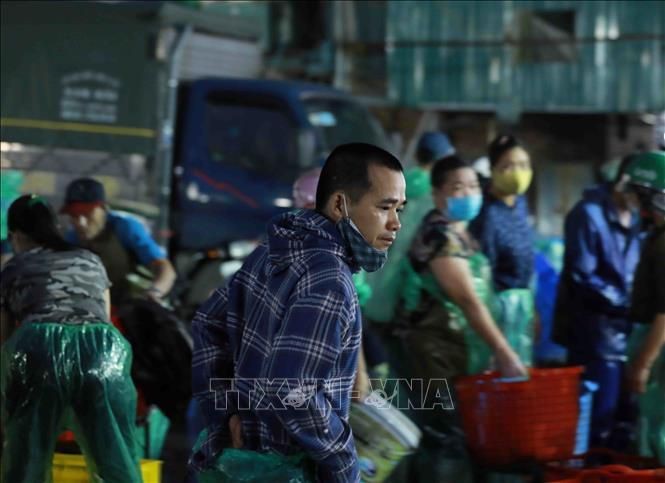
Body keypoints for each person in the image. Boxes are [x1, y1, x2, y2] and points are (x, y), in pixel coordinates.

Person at [189, 143, 406, 482]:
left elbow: (207, 322)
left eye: (400, 210)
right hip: (287, 469)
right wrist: (343, 460)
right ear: (339, 204)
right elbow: (292, 388)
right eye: (384, 207)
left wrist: (226, 413)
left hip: (239, 460)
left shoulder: (275, 250)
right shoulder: (330, 279)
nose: (395, 224)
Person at [394, 155, 526, 481]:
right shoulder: (440, 236)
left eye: (472, 186)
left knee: (456, 433)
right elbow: (467, 299)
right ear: (439, 194)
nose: (468, 194)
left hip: (453, 349)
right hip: (431, 353)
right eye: (457, 187)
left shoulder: (461, 233)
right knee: (444, 435)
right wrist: (504, 351)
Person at [0, 195, 141, 483]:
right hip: (102, 350)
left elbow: (2, 336)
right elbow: (103, 315)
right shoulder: (90, 260)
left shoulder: (14, 267)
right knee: (115, 456)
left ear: (15, 235)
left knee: (27, 457)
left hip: (41, 349)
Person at [554, 154, 643, 449]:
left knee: (624, 424)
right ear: (622, 183)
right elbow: (582, 276)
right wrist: (627, 303)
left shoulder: (639, 217)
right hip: (596, 338)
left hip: (628, 333)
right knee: (595, 423)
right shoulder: (587, 215)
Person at [364, 131, 455, 324]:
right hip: (408, 290)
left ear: (417, 155)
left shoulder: (394, 185)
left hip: (372, 285)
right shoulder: (436, 197)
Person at [469, 134, 536, 365]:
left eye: (524, 165)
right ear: (493, 169)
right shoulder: (486, 214)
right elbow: (483, 275)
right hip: (499, 309)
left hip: (522, 306)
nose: (518, 172)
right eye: (508, 166)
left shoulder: (520, 203)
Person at [60, 177, 176, 304]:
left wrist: (154, 292)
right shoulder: (72, 238)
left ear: (103, 209)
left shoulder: (125, 227)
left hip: (135, 304)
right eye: (74, 215)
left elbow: (164, 267)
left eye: (87, 213)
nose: (81, 222)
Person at [625, 151, 665, 463]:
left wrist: (644, 363)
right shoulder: (656, 236)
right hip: (652, 342)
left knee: (656, 434)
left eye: (640, 196)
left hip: (658, 347)